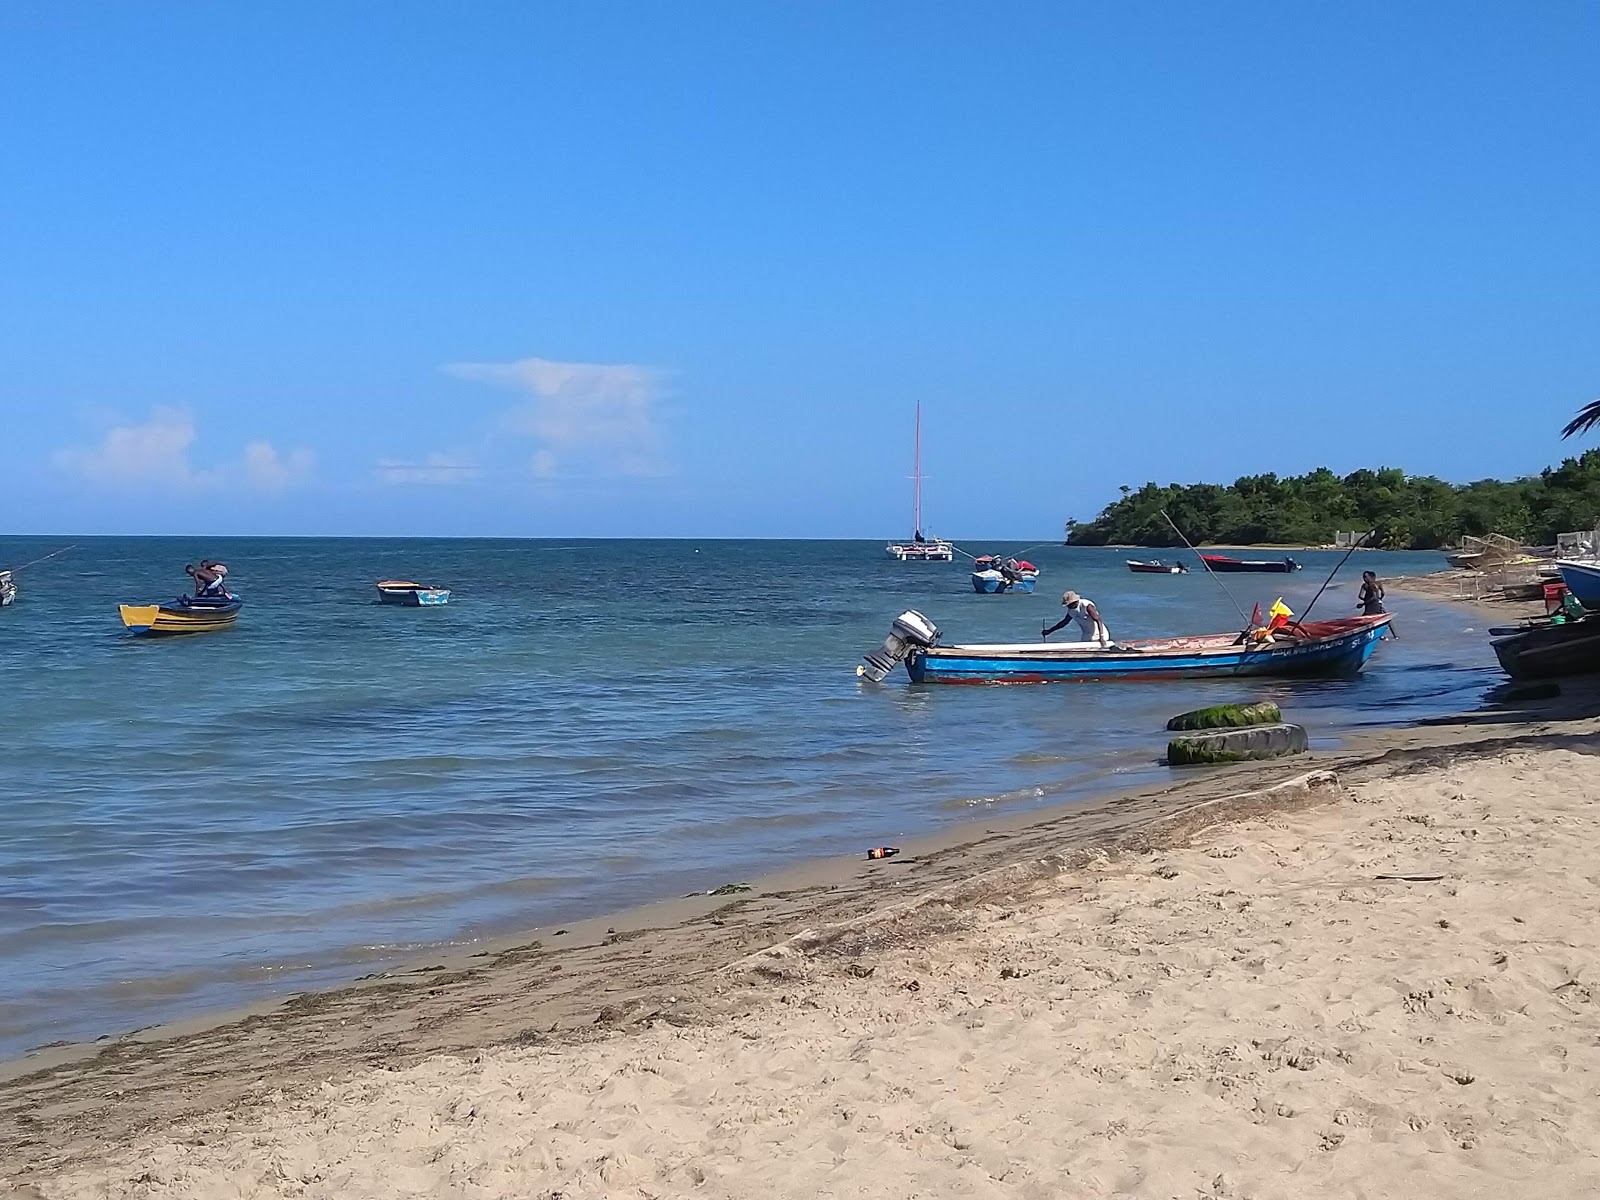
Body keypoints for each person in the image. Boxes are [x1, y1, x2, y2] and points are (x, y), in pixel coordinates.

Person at [1042, 590, 1112, 646]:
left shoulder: (1087, 606)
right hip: (1086, 635)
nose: (1068, 607)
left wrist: (1101, 637)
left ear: (1075, 602)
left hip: (1098, 635)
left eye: (1069, 604)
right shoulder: (1071, 610)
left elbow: (1098, 620)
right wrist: (1049, 631)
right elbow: (1064, 623)